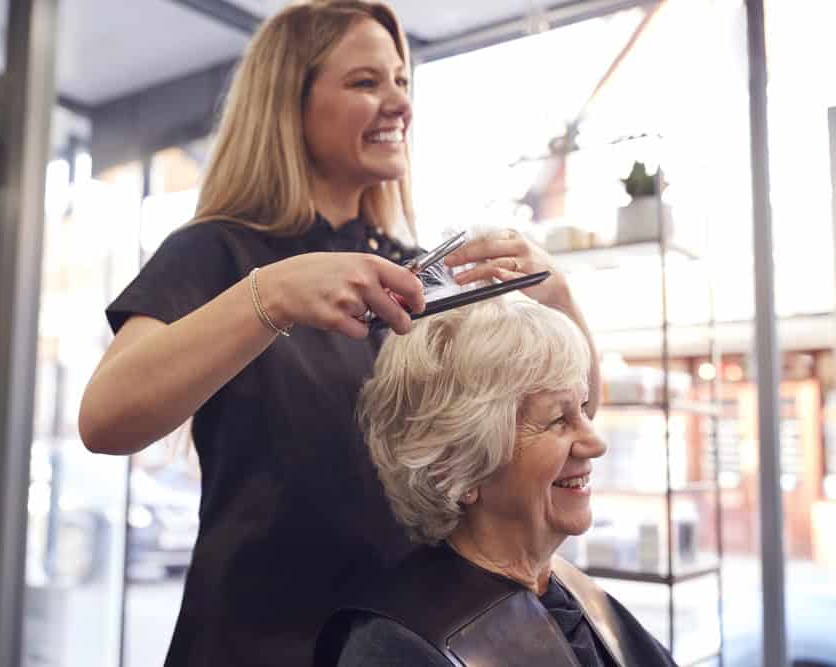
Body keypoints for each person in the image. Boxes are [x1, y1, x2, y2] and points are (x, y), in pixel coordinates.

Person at [78, 2, 598, 665]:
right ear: (289, 102)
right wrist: (272, 297)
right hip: (258, 645)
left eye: (403, 82)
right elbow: (105, 420)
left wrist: (556, 294)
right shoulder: (218, 253)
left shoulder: (412, 271)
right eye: (365, 82)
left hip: (405, 641)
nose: (398, 104)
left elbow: (568, 424)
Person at [314, 298, 676, 667]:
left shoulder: (573, 594)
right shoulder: (396, 647)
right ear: (456, 464)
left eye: (582, 409)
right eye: (557, 420)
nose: (596, 443)